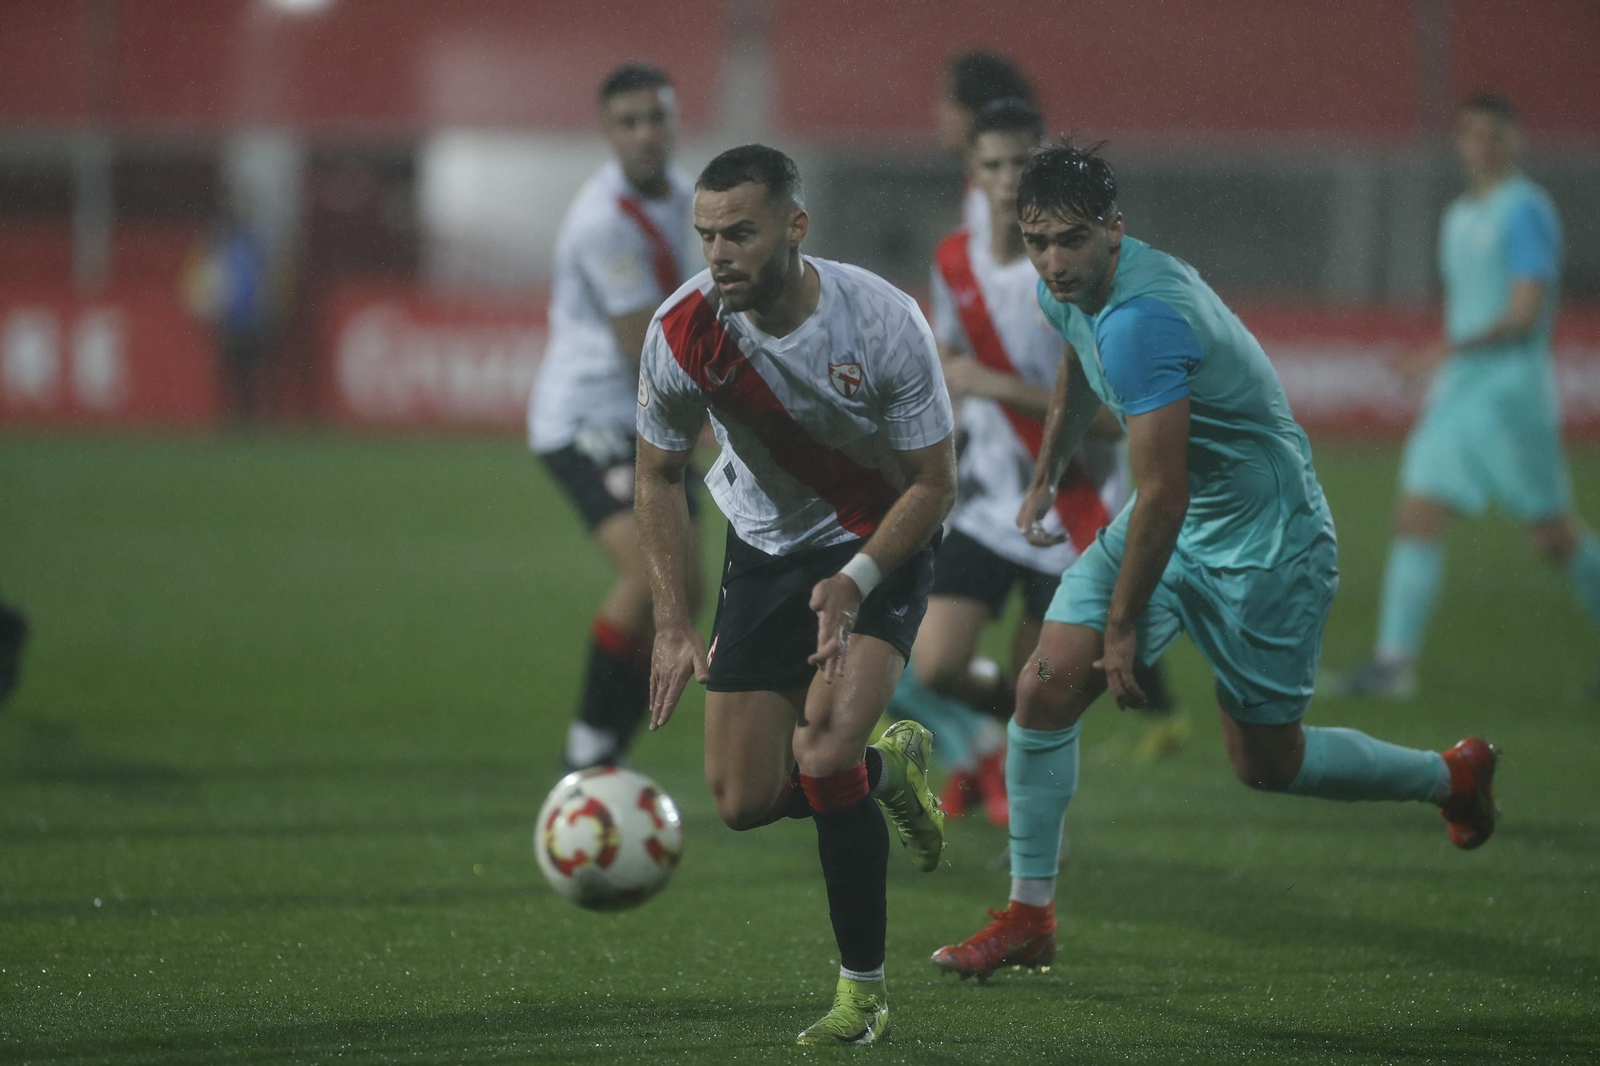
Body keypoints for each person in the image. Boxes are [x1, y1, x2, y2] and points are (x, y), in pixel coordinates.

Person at [931, 142, 1501, 981]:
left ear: (1115, 231)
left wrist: (1121, 630)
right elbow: (1075, 368)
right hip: (1180, 520)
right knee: (1043, 689)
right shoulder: (1069, 291)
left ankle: (1450, 775)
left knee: (1267, 763)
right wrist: (1048, 471)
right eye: (1041, 240)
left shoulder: (1143, 319)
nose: (1055, 261)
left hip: (1265, 542)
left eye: (1075, 241)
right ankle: (1029, 918)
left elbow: (1162, 493)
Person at [636, 144, 955, 1045]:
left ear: (794, 227)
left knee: (820, 753)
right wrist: (671, 619)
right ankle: (892, 771)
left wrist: (853, 584)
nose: (719, 252)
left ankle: (864, 996)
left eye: (740, 231)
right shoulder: (681, 331)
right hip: (766, 544)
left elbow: (934, 485)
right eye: (706, 234)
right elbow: (659, 476)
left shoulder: (883, 322)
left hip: (877, 542)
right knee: (741, 800)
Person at [892, 99, 1166, 827]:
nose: (1008, 178)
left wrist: (998, 384)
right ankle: (987, 750)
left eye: (1021, 162)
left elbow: (1113, 421)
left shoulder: (1076, 271)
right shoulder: (953, 260)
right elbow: (951, 366)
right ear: (972, 175)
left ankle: (1030, 837)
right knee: (938, 666)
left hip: (1070, 512)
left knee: (1034, 692)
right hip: (987, 502)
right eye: (993, 165)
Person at [1327, 93, 1593, 700]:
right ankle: (1394, 667)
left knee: (1554, 536)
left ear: (1514, 141)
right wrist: (1446, 360)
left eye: (1494, 134)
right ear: (1460, 142)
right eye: (1472, 134)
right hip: (1463, 391)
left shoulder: (1524, 210)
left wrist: (1439, 354)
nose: (1483, 146)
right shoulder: (1459, 216)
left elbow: (1524, 314)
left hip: (1510, 393)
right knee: (1416, 511)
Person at [528, 64, 702, 771]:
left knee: (685, 590)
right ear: (607, 132)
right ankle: (588, 750)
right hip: (590, 414)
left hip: (653, 416)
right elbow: (645, 348)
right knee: (650, 575)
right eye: (628, 122)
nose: (645, 134)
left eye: (655, 118)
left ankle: (610, 761)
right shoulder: (604, 223)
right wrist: (725, 427)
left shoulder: (690, 196)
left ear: (675, 119)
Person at [935, 50, 1038, 236]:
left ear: (973, 111)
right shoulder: (978, 187)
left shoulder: (1006, 199)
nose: (939, 113)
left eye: (948, 100)